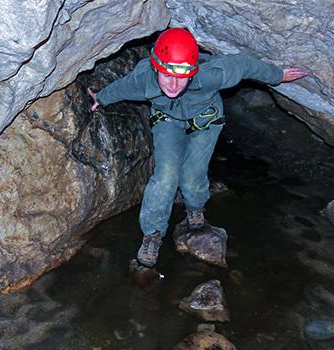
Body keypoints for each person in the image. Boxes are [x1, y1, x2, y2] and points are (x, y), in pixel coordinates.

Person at [87, 28, 308, 268]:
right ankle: (152, 234)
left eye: (181, 77)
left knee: (192, 176)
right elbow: (122, 87)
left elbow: (244, 65)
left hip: (206, 119)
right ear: (156, 69)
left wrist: (277, 75)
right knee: (165, 176)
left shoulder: (214, 74)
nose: (173, 84)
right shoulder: (144, 78)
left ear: (192, 73)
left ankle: (194, 208)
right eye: (166, 75)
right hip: (167, 119)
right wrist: (101, 98)